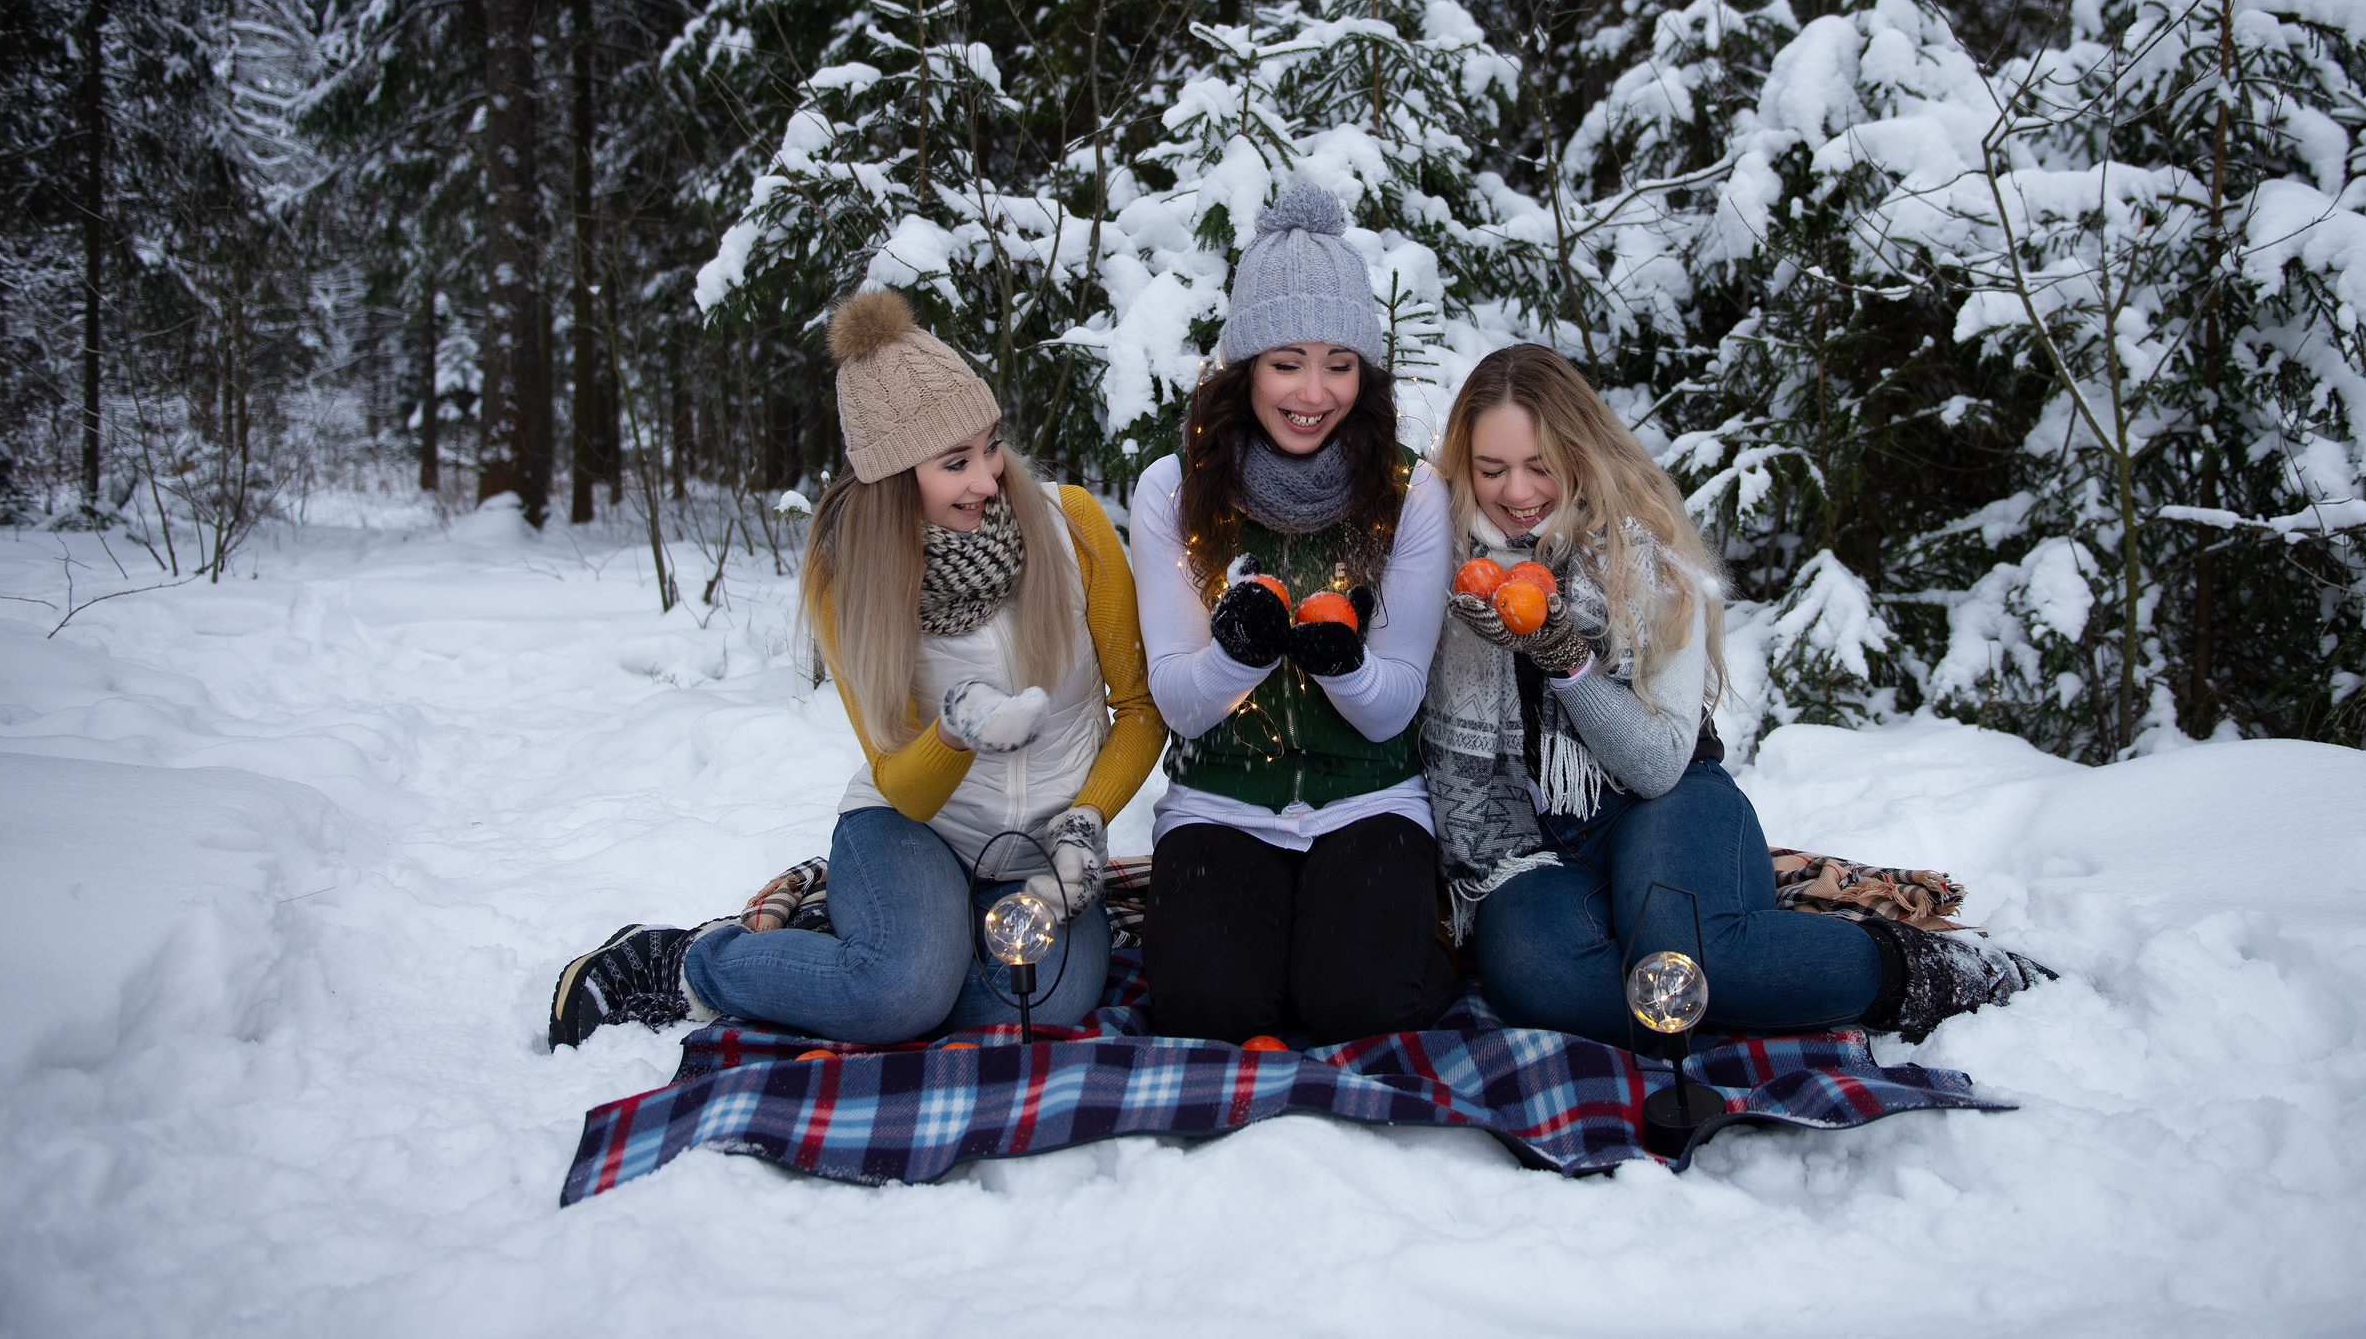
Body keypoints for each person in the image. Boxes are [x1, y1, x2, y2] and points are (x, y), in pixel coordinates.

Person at [547, 290, 1164, 1049]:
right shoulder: (854, 582)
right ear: (896, 477)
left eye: (991, 444)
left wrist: (1088, 814)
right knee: (902, 992)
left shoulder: (1074, 530)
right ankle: (695, 962)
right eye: (955, 462)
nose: (989, 478)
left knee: (1046, 1003)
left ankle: (863, 951)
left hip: (1040, 849)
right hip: (910, 831)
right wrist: (956, 728)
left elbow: (1139, 705)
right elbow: (898, 778)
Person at [1424, 345, 2051, 1046]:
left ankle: (1926, 970)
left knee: (1689, 958)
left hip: (1666, 807)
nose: (1517, 491)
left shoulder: (1643, 551)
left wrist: (1568, 660)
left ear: (1580, 450)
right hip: (1526, 851)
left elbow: (1659, 764)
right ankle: (1723, 992)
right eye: (1491, 469)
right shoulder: (1441, 562)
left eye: (1540, 464)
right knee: (1541, 976)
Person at [1131, 182, 1458, 1046]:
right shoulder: (1174, 489)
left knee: (1357, 1006)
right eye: (1287, 362)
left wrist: (1342, 662)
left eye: (1340, 364)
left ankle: (1408, 936)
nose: (1315, 391)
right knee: (1205, 1011)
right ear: (1245, 366)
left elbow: (1396, 702)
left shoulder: (1409, 492)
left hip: (1371, 799)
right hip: (1220, 801)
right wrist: (1236, 655)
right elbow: (1179, 700)